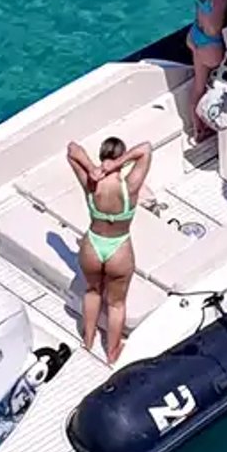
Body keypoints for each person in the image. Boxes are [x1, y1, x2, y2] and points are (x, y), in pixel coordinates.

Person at [67, 131, 153, 363]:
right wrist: (118, 163)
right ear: (121, 157)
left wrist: (92, 167)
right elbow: (146, 147)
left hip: (93, 244)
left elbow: (72, 149)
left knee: (92, 291)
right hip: (119, 248)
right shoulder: (130, 187)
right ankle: (112, 352)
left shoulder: (91, 184)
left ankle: (88, 338)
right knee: (116, 304)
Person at [186, 0, 227, 131]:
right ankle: (210, 124)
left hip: (195, 34)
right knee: (218, 88)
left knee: (198, 86)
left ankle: (197, 128)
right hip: (212, 45)